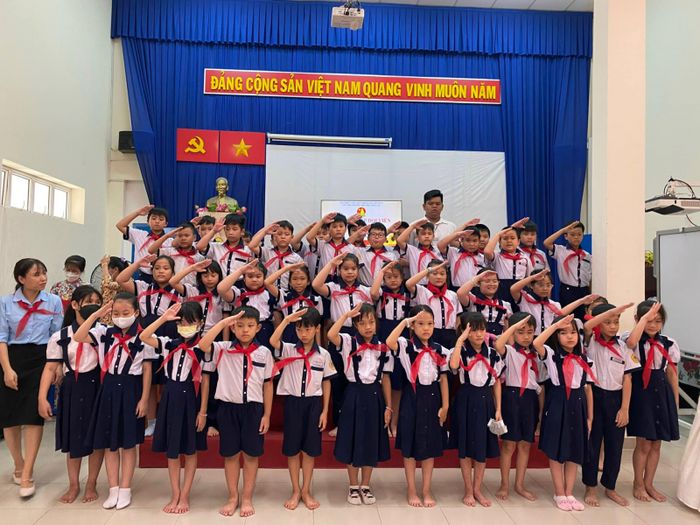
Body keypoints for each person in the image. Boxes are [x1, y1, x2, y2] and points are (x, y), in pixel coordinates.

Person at [73, 293, 153, 510]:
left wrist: (144, 399)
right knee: (109, 443)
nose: (121, 317)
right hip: (108, 388)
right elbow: (79, 336)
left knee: (128, 443)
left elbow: (147, 369)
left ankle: (125, 488)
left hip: (131, 388)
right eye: (116, 313)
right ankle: (113, 488)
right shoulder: (104, 333)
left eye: (126, 313)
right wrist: (97, 314)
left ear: (136, 312)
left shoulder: (144, 336)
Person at [199, 308, 275, 518]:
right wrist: (224, 323)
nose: (245, 330)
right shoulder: (222, 348)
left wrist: (267, 415)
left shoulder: (264, 353)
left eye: (250, 326)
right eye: (239, 326)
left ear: (258, 328)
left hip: (253, 409)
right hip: (228, 409)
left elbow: (268, 385)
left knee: (251, 455)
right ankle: (233, 497)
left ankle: (247, 497)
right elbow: (203, 344)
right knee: (231, 455)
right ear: (233, 327)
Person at [0, 258, 63, 497]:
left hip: (41, 359)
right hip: (12, 358)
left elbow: (56, 336)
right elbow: (1, 338)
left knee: (33, 415)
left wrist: (56, 365)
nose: (43, 278)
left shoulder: (53, 301)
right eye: (36, 274)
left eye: (44, 273)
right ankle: (18, 463)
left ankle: (27, 472)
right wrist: (7, 369)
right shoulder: (5, 303)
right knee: (10, 418)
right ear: (21, 278)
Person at [139, 302, 210, 514]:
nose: (186, 327)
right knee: (172, 450)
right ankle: (175, 493)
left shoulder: (203, 348)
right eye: (182, 323)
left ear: (200, 323)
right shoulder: (168, 344)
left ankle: (185, 494)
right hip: (170, 396)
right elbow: (144, 336)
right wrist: (163, 319)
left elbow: (205, 382)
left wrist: (203, 412)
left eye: (191, 323)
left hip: (191, 398)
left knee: (190, 449)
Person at [38, 285, 104, 504]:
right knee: (73, 435)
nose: (93, 305)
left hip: (96, 386)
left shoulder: (103, 332)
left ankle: (92, 482)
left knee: (96, 438)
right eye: (89, 301)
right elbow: (50, 367)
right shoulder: (61, 336)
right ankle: (74, 484)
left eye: (97, 302)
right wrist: (42, 397)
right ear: (75, 305)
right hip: (72, 388)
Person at [328, 303, 393, 506]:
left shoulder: (383, 347)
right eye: (362, 323)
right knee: (352, 438)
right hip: (353, 394)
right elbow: (331, 335)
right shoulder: (348, 342)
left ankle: (365, 484)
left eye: (371, 322)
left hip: (374, 395)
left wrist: (389, 406)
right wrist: (346, 315)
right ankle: (353, 485)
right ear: (355, 325)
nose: (368, 327)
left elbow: (386, 378)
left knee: (370, 439)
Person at [386, 306, 451, 508]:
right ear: (413, 326)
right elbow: (389, 341)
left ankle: (426, 490)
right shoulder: (406, 345)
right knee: (410, 446)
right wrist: (405, 322)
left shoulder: (440, 349)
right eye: (420, 324)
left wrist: (445, 405)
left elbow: (443, 378)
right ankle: (412, 489)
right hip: (412, 397)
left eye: (430, 324)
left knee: (430, 447)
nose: (426, 328)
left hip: (433, 398)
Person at [270, 308, 334, 511]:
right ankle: (295, 490)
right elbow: (273, 341)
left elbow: (326, 382)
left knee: (309, 450)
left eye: (307, 329)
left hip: (313, 405)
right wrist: (286, 320)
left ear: (316, 329)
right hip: (293, 403)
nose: (303, 334)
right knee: (292, 450)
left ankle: (306, 490)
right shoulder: (288, 349)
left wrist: (324, 411)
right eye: (299, 329)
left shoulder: (323, 354)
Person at [533, 314, 595, 512]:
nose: (569, 336)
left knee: (574, 451)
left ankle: (569, 492)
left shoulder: (584, 359)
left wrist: (590, 417)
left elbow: (587, 389)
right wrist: (555, 325)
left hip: (578, 404)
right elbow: (537, 342)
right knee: (556, 449)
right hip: (558, 403)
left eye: (573, 332)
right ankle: (559, 492)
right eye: (563, 333)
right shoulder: (552, 355)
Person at [580, 302, 639, 507]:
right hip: (594, 397)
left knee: (615, 446)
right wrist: (610, 311)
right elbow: (587, 327)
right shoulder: (589, 343)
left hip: (616, 399)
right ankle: (590, 486)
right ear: (598, 323)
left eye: (616, 322)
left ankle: (610, 487)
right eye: (608, 322)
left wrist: (625, 408)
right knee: (592, 445)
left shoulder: (623, 347)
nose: (613, 326)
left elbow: (628, 379)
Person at [117, 254, 182, 436]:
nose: (161, 271)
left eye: (166, 268)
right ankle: (152, 422)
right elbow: (121, 279)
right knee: (151, 381)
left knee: (169, 381)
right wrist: (138, 263)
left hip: (170, 334)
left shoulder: (179, 290)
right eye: (157, 268)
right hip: (147, 334)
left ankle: (167, 421)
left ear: (173, 272)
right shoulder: (142, 287)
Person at [312, 253, 376, 435]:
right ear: (339, 270)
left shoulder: (365, 290)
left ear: (358, 271)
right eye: (345, 268)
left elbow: (373, 306)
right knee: (339, 380)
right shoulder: (333, 287)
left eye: (353, 269)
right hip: (338, 334)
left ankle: (359, 422)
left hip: (360, 335)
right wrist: (331, 264)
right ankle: (340, 423)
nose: (349, 272)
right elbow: (316, 284)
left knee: (357, 380)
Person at [623, 301, 680, 503]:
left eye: (658, 321)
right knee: (644, 443)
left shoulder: (668, 343)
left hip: (661, 392)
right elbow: (631, 343)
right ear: (638, 320)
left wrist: (674, 402)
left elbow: (672, 373)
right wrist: (644, 319)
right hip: (642, 392)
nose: (653, 325)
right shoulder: (631, 339)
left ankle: (649, 483)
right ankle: (638, 484)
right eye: (648, 320)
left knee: (656, 443)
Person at [449, 312, 503, 508]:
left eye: (482, 329)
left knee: (481, 446)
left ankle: (478, 489)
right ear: (465, 332)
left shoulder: (493, 354)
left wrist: (498, 408)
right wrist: (460, 340)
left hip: (486, 400)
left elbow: (497, 381)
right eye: (473, 330)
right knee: (465, 448)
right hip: (465, 398)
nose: (479, 334)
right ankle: (468, 490)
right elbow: (453, 365)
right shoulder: (460, 350)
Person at [493, 312, 541, 502]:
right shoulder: (509, 351)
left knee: (525, 444)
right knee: (508, 444)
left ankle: (519, 484)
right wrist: (511, 328)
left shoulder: (538, 353)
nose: (526, 336)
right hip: (511, 398)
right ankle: (504, 484)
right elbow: (498, 344)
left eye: (530, 332)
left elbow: (541, 385)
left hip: (530, 399)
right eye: (521, 332)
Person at [370, 260, 411, 436]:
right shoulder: (380, 292)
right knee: (382, 376)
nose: (392, 280)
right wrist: (382, 272)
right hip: (383, 333)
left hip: (401, 335)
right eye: (388, 277)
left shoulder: (409, 293)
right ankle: (381, 420)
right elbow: (373, 292)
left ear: (402, 278)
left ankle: (394, 422)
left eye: (396, 276)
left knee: (397, 382)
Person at [510, 269, 599, 334]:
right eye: (541, 285)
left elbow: (561, 313)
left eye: (548, 285)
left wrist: (582, 301)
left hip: (549, 339)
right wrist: (533, 277)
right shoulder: (525, 299)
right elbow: (513, 289)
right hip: (530, 337)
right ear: (531, 286)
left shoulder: (554, 304)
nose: (545, 288)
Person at [218, 259, 277, 348]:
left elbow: (276, 317)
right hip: (242, 329)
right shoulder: (239, 293)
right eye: (250, 276)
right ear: (244, 279)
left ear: (264, 278)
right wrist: (241, 271)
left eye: (258, 276)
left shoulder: (270, 294)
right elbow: (221, 289)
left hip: (264, 330)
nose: (254, 279)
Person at [406, 260, 461, 349]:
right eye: (434, 273)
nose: (438, 277)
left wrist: (457, 335)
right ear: (428, 276)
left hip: (450, 334)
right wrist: (429, 270)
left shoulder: (452, 295)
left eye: (442, 274)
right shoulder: (422, 291)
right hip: (430, 332)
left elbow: (458, 317)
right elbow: (408, 284)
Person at [265, 262, 323, 344]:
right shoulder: (284, 296)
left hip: (308, 333)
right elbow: (267, 282)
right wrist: (287, 268)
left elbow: (317, 324)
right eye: (294, 279)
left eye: (302, 279)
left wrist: (318, 346)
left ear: (308, 281)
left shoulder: (316, 300)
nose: (298, 282)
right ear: (289, 282)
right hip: (289, 334)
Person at [543, 221, 592, 318]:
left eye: (579, 234)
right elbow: (546, 243)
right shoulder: (561, 250)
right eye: (572, 234)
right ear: (566, 236)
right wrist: (563, 230)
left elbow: (589, 276)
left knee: (583, 318)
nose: (576, 237)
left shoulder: (587, 255)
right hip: (568, 291)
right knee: (567, 317)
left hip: (584, 291)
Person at [116, 205, 171, 283]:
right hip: (144, 276)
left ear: (166, 224)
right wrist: (137, 213)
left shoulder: (170, 241)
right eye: (153, 218)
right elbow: (120, 225)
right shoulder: (140, 235)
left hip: (164, 277)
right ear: (148, 222)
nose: (157, 221)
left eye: (161, 219)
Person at [483, 219, 532, 303]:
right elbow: (487, 251)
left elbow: (529, 277)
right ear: (499, 241)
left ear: (518, 241)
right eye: (505, 238)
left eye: (512, 238)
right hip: (501, 289)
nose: (509, 241)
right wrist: (498, 234)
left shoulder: (524, 258)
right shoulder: (497, 256)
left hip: (520, 289)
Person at [247, 220, 303, 291]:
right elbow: (251, 246)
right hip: (267, 291)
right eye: (279, 234)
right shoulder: (267, 252)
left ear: (292, 237)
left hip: (286, 292)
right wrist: (265, 232)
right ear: (275, 237)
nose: (283, 237)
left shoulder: (296, 258)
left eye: (287, 234)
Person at [456, 269, 512, 338]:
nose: (491, 284)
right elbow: (460, 293)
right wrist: (478, 277)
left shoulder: (505, 305)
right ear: (478, 283)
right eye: (487, 281)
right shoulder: (473, 301)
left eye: (495, 281)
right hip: (477, 340)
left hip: (497, 341)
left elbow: (507, 330)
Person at [147, 222, 205, 287]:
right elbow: (151, 250)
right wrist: (167, 236)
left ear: (194, 237)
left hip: (191, 290)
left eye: (186, 235)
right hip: (171, 289)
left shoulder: (200, 258)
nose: (183, 238)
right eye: (180, 236)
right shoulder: (170, 252)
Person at [396, 218, 443, 285]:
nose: (427, 236)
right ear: (417, 237)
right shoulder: (412, 250)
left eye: (429, 234)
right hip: (417, 286)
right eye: (423, 234)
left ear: (433, 236)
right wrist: (412, 226)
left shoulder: (437, 251)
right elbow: (399, 240)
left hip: (434, 286)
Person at [351, 222, 400, 286]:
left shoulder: (391, 256)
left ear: (385, 239)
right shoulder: (360, 252)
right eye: (373, 234)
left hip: (385, 289)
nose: (376, 237)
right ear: (368, 238)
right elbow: (344, 245)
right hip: (365, 289)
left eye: (380, 235)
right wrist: (358, 233)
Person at [100, 256, 127, 325]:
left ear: (115, 269)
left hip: (117, 320)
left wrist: (104, 266)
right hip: (105, 319)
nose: (105, 272)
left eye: (108, 269)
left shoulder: (125, 282)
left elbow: (107, 284)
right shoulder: (109, 282)